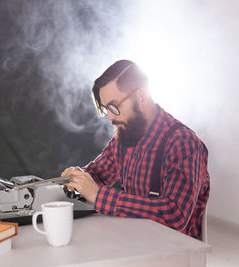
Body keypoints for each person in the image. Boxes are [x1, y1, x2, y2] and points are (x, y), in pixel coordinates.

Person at [62, 60, 210, 239]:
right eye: (105, 109)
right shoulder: (126, 135)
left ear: (141, 96)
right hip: (134, 240)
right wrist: (80, 177)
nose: (109, 117)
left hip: (173, 252)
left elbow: (174, 215)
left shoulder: (183, 143)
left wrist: (98, 195)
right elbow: (98, 174)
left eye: (113, 106)